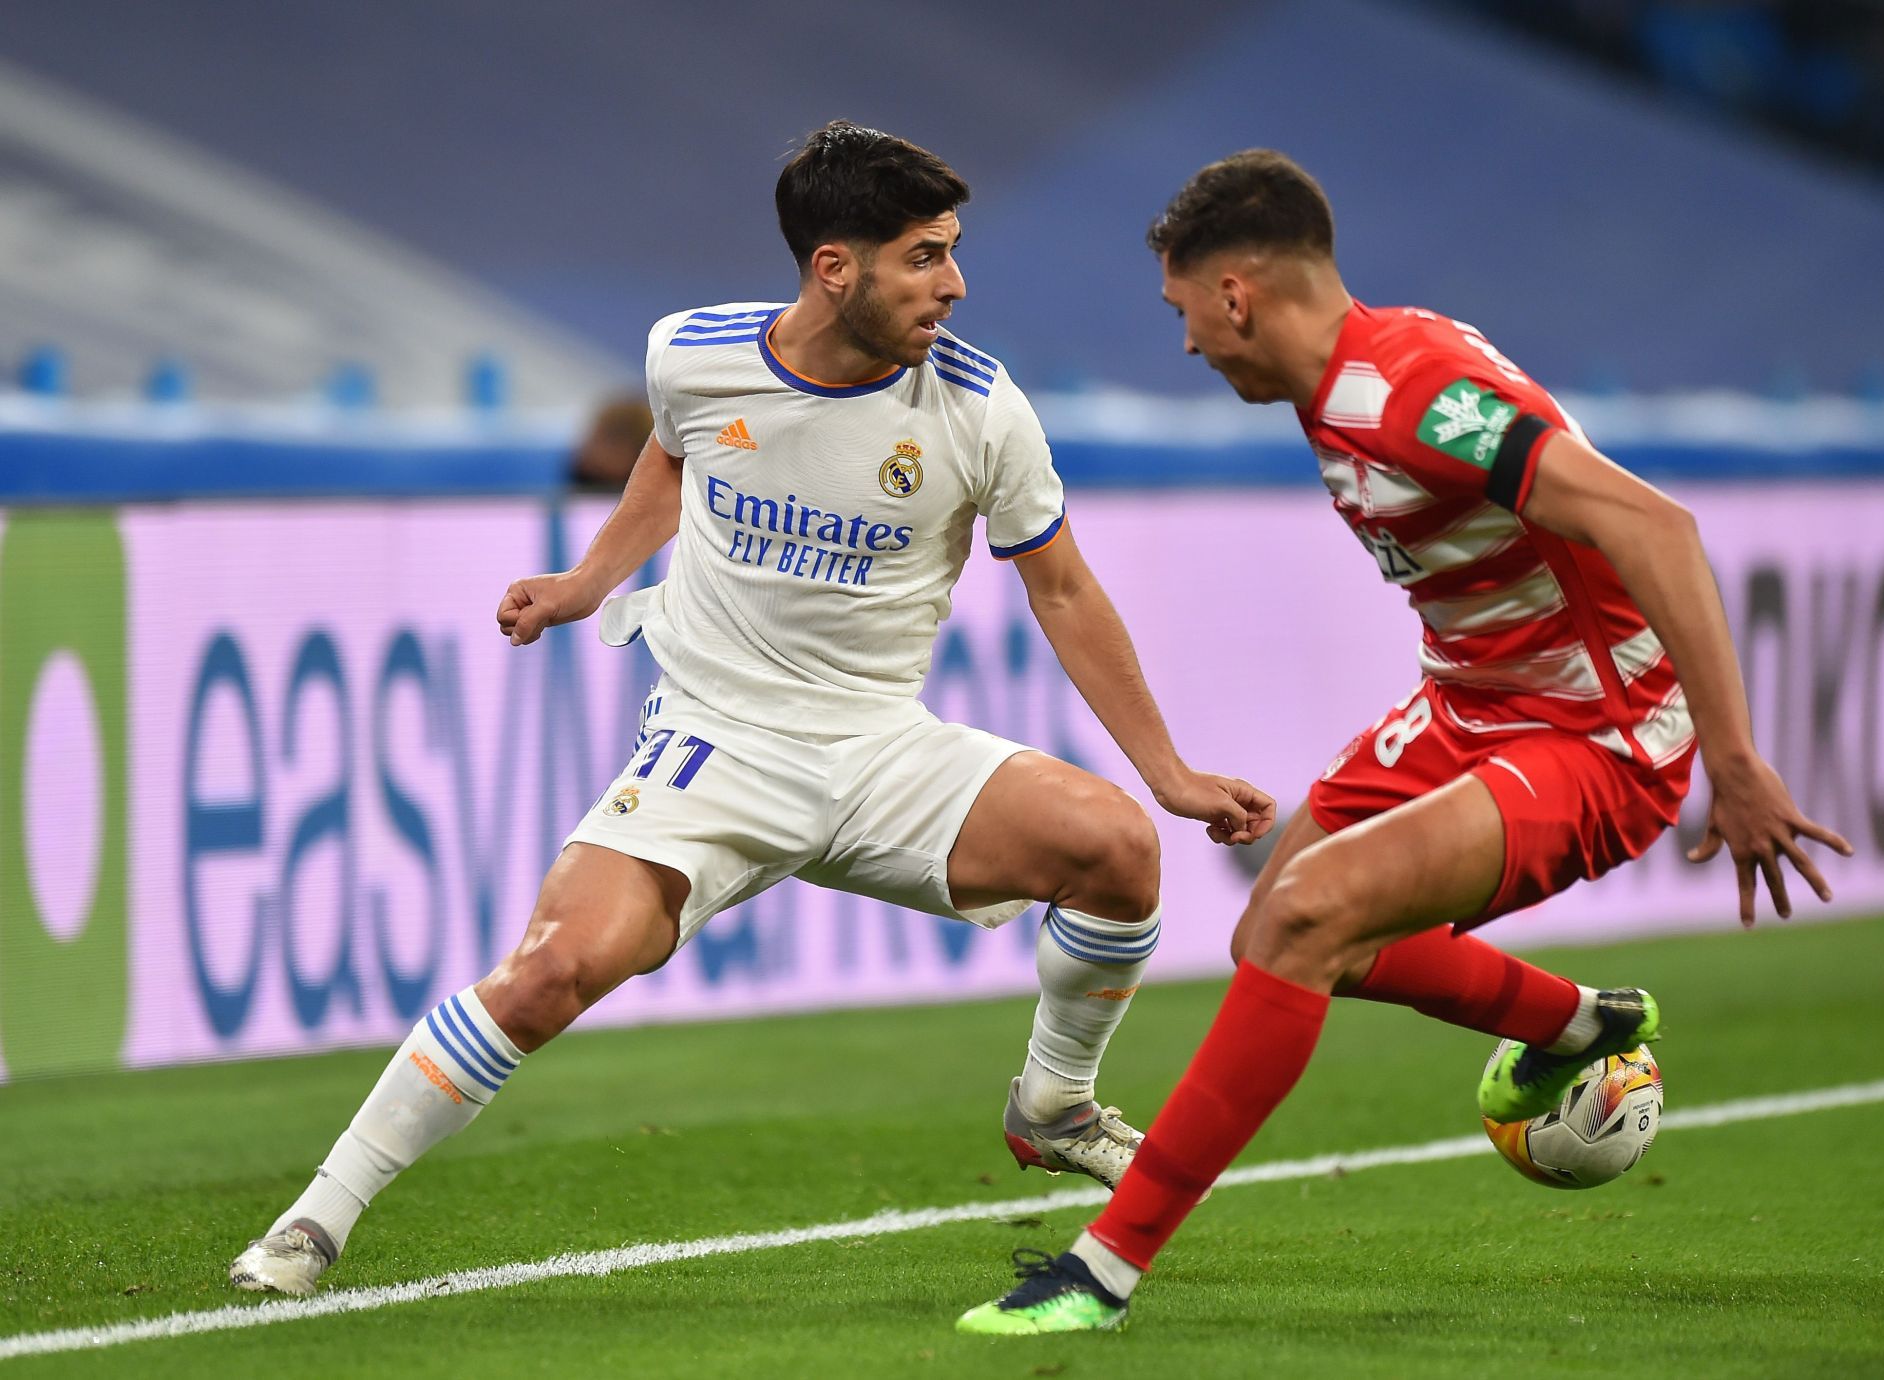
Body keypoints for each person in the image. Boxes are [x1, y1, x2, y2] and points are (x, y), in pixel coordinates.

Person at [229, 123, 1274, 1296]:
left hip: (883, 750)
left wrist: (1168, 773)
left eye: (953, 251)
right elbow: (673, 459)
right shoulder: (694, 355)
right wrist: (587, 584)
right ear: (837, 268)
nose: (955, 283)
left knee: (1119, 851)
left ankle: (1053, 1104)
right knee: (547, 974)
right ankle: (315, 1221)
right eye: (925, 256)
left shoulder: (980, 408)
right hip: (714, 745)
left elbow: (1063, 586)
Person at [957, 149, 1853, 1335]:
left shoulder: (1415, 393)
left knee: (1305, 922)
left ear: (1238, 292)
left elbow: (1658, 526)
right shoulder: (1350, 380)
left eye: (1184, 314)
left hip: (1598, 734)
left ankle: (1102, 1269)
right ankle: (1580, 1025)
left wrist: (1731, 760)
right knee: (1274, 925)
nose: (1187, 346)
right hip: (1468, 706)